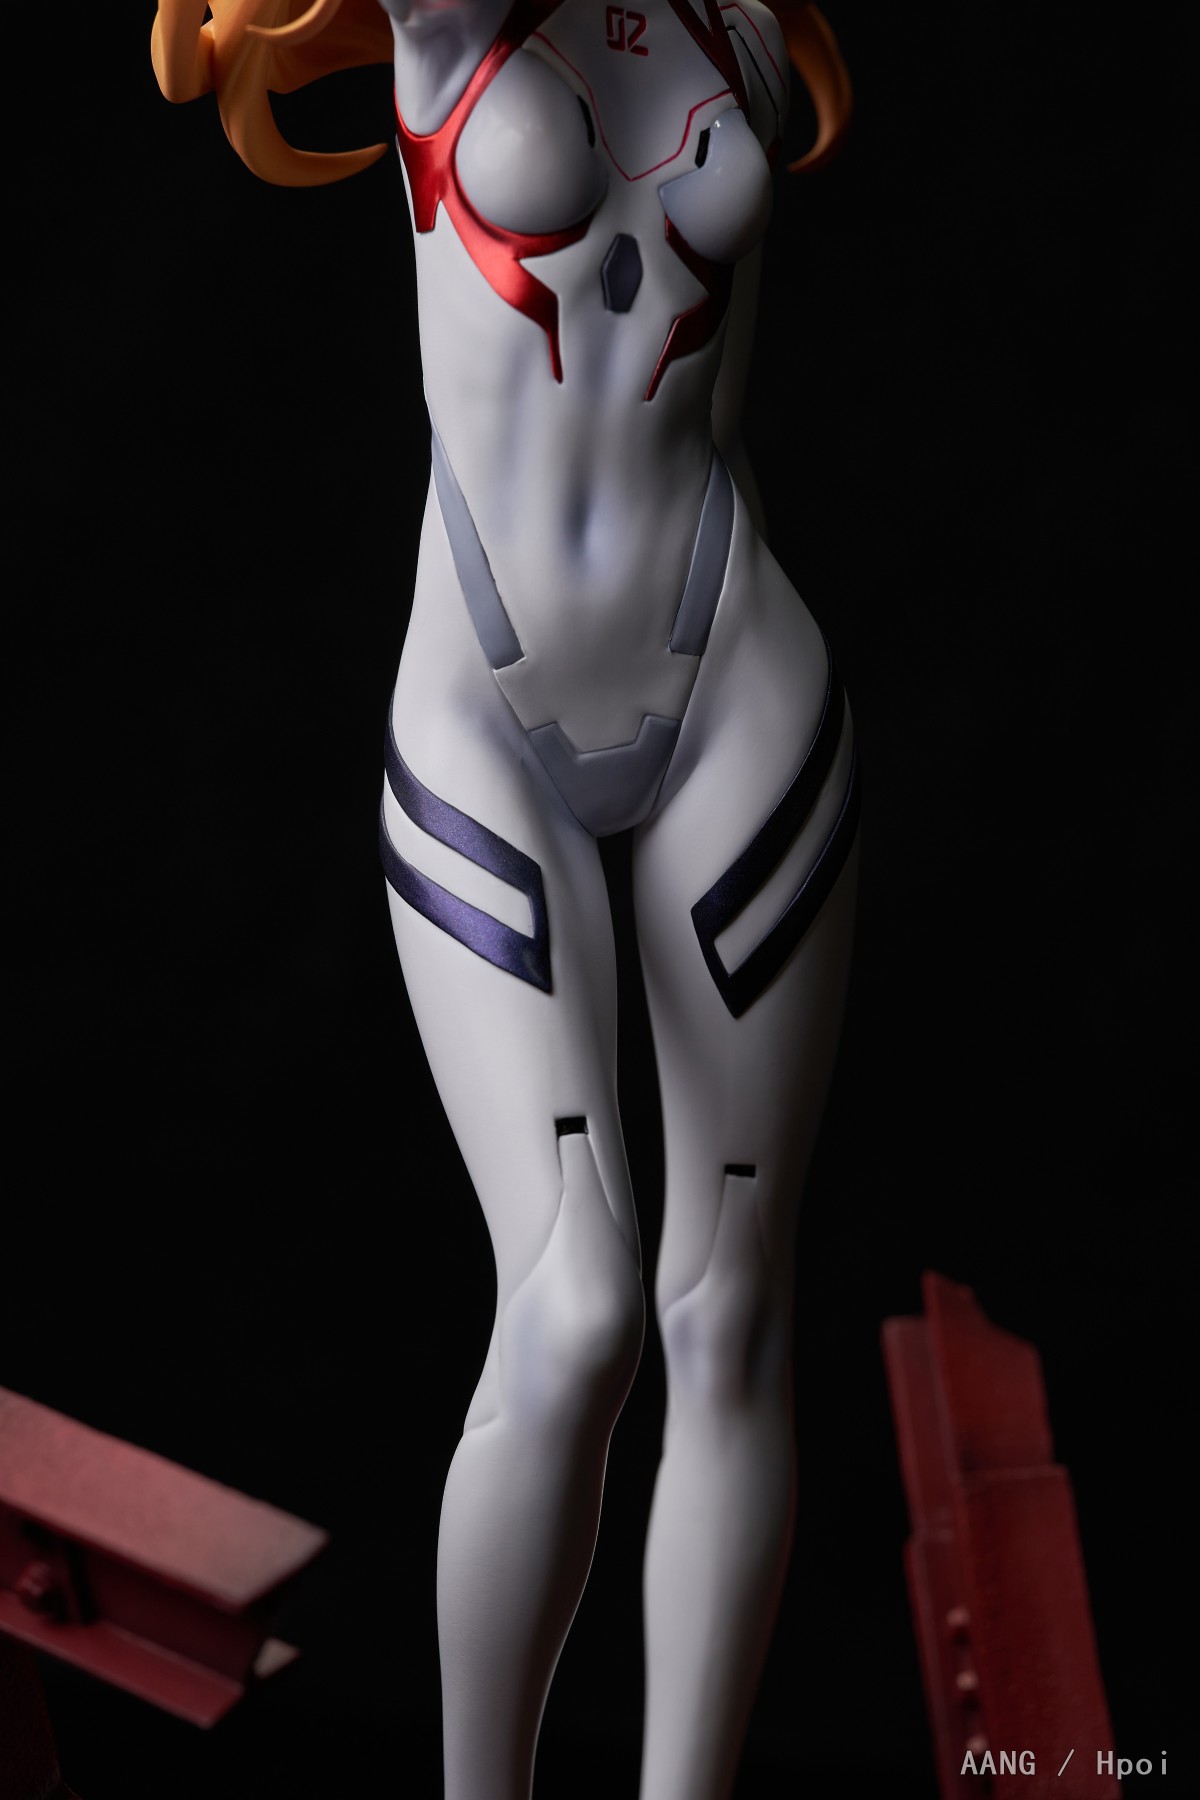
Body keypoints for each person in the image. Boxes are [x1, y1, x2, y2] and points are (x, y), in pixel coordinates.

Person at [151, 4, 858, 1796]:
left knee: (730, 1311)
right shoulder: (448, 19)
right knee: (573, 1300)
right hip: (486, 698)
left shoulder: (738, 23)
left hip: (736, 673)